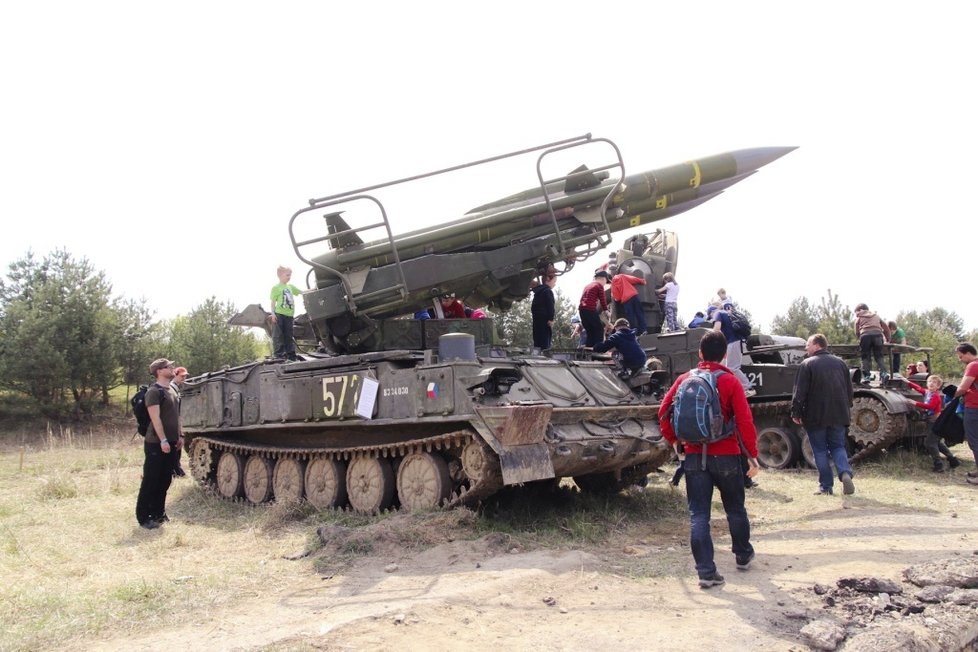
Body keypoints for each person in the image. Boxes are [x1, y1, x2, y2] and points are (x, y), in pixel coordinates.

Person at [658, 330, 760, 589]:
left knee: (698, 515)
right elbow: (745, 422)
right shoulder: (730, 381)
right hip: (726, 456)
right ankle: (742, 554)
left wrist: (674, 440)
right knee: (735, 508)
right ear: (725, 355)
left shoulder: (684, 379)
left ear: (700, 354)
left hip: (693, 457)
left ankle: (706, 571)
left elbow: (663, 411)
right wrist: (753, 456)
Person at [790, 334, 856, 496]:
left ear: (817, 345)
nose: (806, 348)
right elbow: (849, 390)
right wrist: (847, 408)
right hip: (839, 413)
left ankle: (826, 486)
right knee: (838, 446)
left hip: (815, 414)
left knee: (819, 450)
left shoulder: (807, 364)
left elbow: (800, 392)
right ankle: (844, 472)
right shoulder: (841, 363)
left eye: (808, 344)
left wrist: (796, 411)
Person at [135, 358, 183, 529]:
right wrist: (162, 440)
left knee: (165, 479)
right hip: (156, 442)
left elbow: (176, 416)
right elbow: (155, 419)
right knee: (151, 479)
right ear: (160, 371)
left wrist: (180, 435)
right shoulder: (154, 392)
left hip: (171, 441)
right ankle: (144, 517)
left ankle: (159, 513)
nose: (172, 368)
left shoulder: (172, 390)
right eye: (169, 366)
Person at [903, 374, 961, 472]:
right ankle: (953, 460)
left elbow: (930, 406)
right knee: (937, 442)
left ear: (938, 386)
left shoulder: (936, 396)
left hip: (934, 421)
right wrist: (908, 382)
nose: (931, 384)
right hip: (932, 420)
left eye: (934, 383)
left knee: (929, 443)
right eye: (929, 382)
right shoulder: (928, 393)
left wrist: (915, 403)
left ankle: (938, 465)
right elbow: (919, 388)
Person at [710, 303, 754, 396]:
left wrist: (708, 337)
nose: (711, 319)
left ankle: (748, 388)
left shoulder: (718, 313)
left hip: (733, 342)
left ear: (712, 312)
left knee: (732, 367)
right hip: (738, 341)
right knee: (727, 367)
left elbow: (717, 328)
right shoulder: (727, 313)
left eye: (710, 316)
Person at [951, 343, 978, 485]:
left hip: (974, 407)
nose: (960, 359)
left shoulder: (973, 365)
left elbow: (963, 387)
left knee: (974, 441)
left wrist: (950, 394)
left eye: (961, 356)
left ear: (967, 353)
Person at [271, 265, 302, 362]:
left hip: (289, 315)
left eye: (290, 275)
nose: (289, 277)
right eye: (287, 275)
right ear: (280, 275)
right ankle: (279, 355)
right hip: (279, 314)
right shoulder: (276, 287)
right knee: (278, 335)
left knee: (289, 335)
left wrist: (314, 289)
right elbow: (273, 302)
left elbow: (301, 292)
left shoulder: (290, 287)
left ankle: (291, 355)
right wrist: (273, 313)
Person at [853, 303, 890, 382]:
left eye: (856, 312)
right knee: (879, 355)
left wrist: (860, 337)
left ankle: (866, 376)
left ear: (860, 310)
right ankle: (884, 373)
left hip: (865, 335)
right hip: (878, 335)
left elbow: (856, 330)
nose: (856, 314)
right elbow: (886, 328)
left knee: (865, 356)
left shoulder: (859, 317)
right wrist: (888, 339)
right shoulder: (876, 315)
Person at [578, 271, 611, 347]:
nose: (605, 283)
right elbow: (603, 300)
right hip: (590, 309)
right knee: (599, 329)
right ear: (603, 279)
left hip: (582, 310)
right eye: (606, 281)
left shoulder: (587, 286)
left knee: (590, 331)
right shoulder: (599, 286)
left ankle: (589, 348)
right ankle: (598, 350)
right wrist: (607, 312)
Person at [610, 270, 648, 335]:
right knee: (640, 313)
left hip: (626, 300)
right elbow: (633, 279)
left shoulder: (613, 284)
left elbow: (617, 297)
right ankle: (643, 330)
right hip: (634, 295)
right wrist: (642, 281)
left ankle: (632, 332)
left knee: (630, 317)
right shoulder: (621, 276)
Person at [170, 366, 189, 478]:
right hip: (173, 423)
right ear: (175, 375)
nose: (184, 378)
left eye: (185, 376)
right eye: (182, 376)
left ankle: (176, 470)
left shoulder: (176, 388)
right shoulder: (172, 388)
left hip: (176, 423)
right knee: (175, 447)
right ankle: (176, 470)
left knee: (177, 448)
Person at [530, 275, 557, 351]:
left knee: (537, 341)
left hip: (537, 319)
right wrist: (551, 319)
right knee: (545, 342)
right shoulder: (548, 291)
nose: (555, 284)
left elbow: (533, 307)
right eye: (554, 281)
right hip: (545, 320)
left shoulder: (537, 292)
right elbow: (550, 306)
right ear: (548, 280)